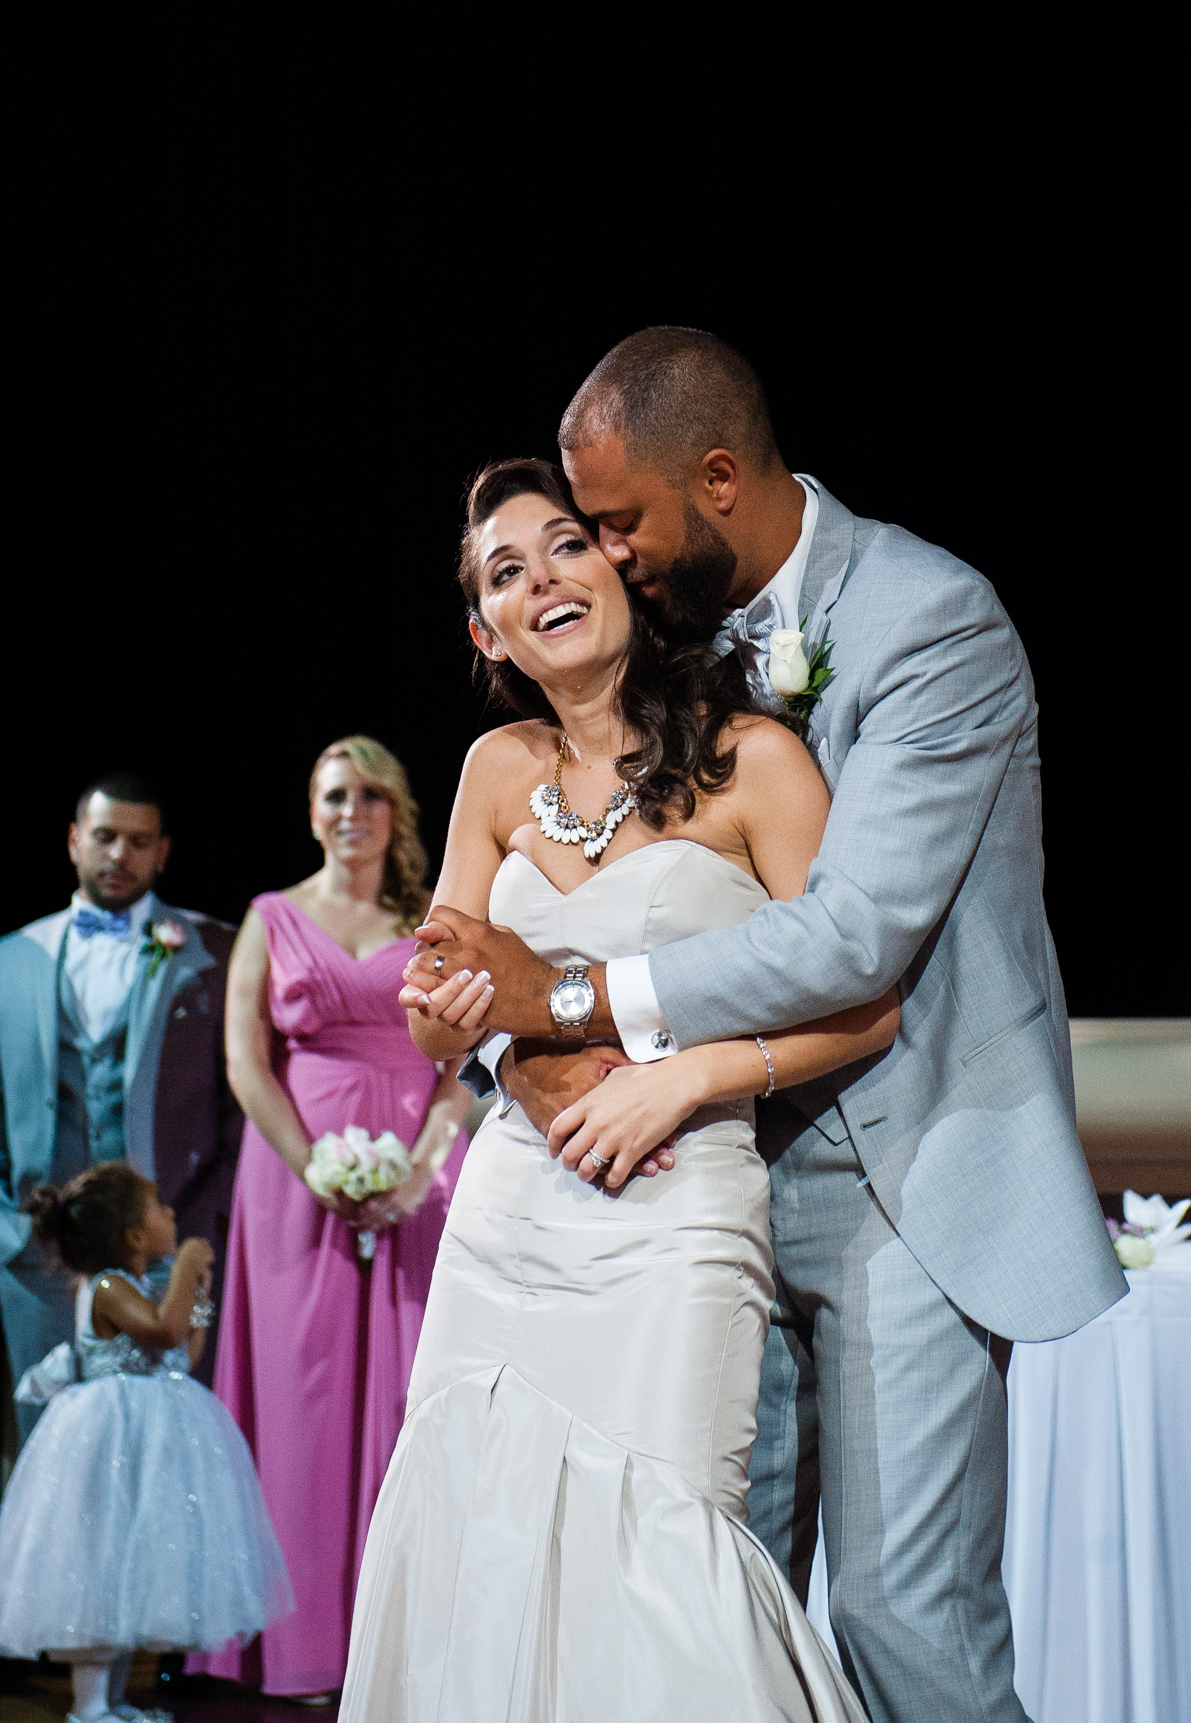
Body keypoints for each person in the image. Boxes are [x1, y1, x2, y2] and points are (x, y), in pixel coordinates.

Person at [402, 329, 1128, 1723]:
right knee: (698, 1606)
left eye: (611, 524)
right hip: (697, 1207)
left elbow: (859, 942)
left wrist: (573, 1005)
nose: (599, 558)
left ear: (717, 478)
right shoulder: (655, 652)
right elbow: (485, 952)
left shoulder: (929, 620)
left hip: (903, 1171)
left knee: (902, 1622)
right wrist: (514, 1050)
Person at [341, 457, 881, 1720]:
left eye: (566, 545)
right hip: (509, 1214)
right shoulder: (489, 771)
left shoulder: (758, 760)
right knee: (478, 1525)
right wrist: (458, 1023)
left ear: (618, 567)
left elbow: (862, 1002)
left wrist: (685, 1080)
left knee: (663, 1542)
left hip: (680, 1199)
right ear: (491, 631)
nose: (547, 578)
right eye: (508, 573)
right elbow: (440, 1000)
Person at [203, 737, 470, 1705]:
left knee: (415, 1399)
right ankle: (306, 1646)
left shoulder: (433, 918)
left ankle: (411, 1644)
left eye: (368, 794)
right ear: (310, 812)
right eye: (331, 795)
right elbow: (245, 1061)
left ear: (396, 810)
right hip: (293, 1183)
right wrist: (312, 1160)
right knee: (302, 1403)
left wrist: (424, 1172)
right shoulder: (271, 918)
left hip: (420, 1176)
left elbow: (461, 1073)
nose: (350, 809)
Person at [0, 1161, 291, 1723]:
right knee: (102, 1566)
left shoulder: (132, 1285)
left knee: (134, 1573)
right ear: (133, 1235)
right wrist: (185, 1265)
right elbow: (161, 1330)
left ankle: (114, 1701)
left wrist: (197, 1294)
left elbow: (180, 1354)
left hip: (150, 1438)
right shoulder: (107, 1286)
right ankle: (89, 1707)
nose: (171, 1213)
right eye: (159, 1207)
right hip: (112, 1438)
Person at [0, 774, 241, 1449]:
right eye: (105, 837)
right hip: (36, 1261)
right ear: (75, 840)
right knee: (49, 1452)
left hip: (167, 1251)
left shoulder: (214, 952)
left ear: (162, 853)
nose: (120, 855)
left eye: (139, 842)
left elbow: (239, 1102)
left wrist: (203, 1222)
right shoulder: (12, 959)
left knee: (166, 1452)